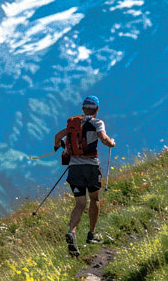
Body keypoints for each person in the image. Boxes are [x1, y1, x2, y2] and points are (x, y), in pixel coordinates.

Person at [53, 95, 116, 257]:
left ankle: (72, 232)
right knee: (94, 199)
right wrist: (112, 142)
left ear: (83, 109)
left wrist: (59, 148)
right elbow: (103, 139)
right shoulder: (97, 122)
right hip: (91, 166)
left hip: (74, 168)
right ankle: (92, 234)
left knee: (79, 204)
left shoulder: (73, 125)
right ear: (97, 109)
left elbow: (57, 137)